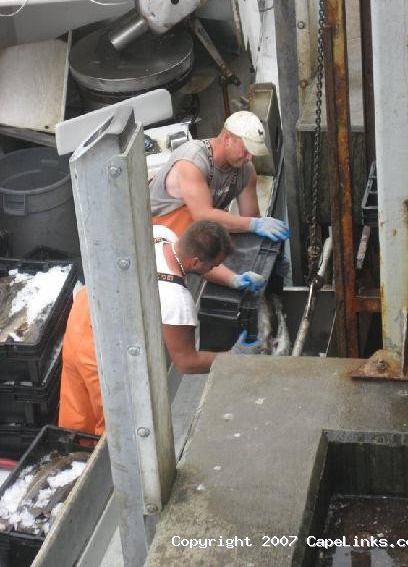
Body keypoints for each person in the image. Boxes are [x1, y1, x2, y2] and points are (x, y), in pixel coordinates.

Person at [58, 221, 264, 436]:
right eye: (213, 266)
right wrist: (236, 357)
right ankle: (106, 467)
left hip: (82, 315)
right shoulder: (176, 302)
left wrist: (232, 279)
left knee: (76, 413)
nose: (214, 269)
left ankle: (71, 458)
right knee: (114, 428)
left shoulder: (160, 235)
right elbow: (187, 362)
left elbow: (189, 263)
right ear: (196, 261)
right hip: (101, 351)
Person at [150, 110, 290, 242]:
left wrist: (262, 229)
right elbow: (202, 216)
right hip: (157, 232)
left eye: (253, 152)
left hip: (195, 235)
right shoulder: (193, 160)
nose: (249, 157)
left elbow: (249, 219)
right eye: (246, 150)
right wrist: (254, 224)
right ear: (228, 138)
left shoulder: (246, 170)